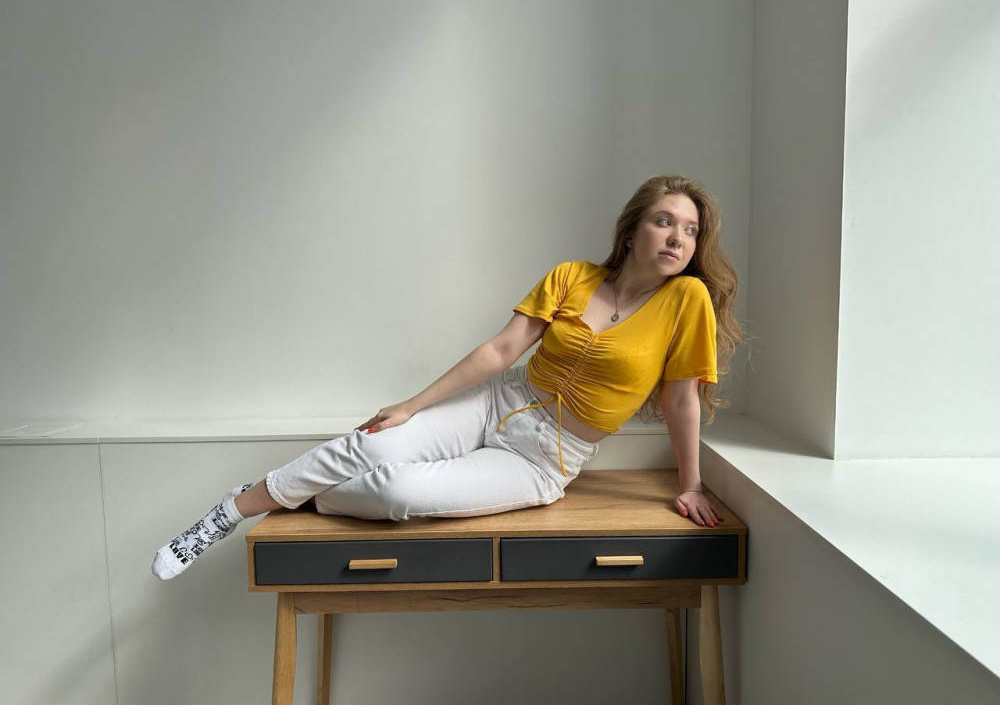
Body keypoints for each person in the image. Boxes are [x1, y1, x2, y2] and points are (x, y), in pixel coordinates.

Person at [152, 174, 746, 581]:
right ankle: (229, 512)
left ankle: (302, 493)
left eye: (690, 230)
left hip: (544, 459)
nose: (678, 238)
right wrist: (411, 405)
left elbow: (681, 400)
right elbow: (501, 349)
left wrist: (690, 485)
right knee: (371, 443)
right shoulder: (573, 276)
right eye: (664, 221)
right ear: (632, 231)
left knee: (399, 492)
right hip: (499, 401)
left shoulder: (687, 300)